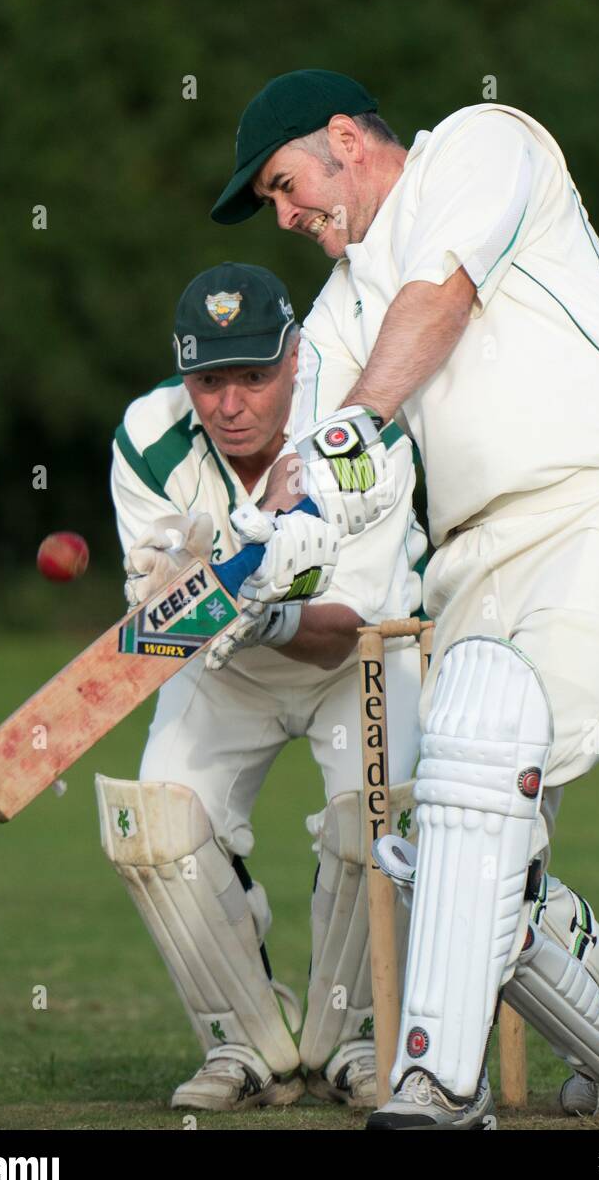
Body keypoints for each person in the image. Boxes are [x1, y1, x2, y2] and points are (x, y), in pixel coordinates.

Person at [208, 70, 599, 1128]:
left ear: (346, 138)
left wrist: (348, 435)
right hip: (474, 561)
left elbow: (435, 302)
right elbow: (322, 462)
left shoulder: (483, 145)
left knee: (480, 751)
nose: (287, 213)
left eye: (283, 182)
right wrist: (268, 543)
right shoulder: (342, 303)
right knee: (451, 841)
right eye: (271, 202)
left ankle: (434, 1086)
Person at [96, 260, 427, 1112]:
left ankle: (355, 1042)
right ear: (184, 373)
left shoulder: (359, 439)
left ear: (295, 360)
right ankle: (244, 1044)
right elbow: (166, 611)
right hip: (221, 668)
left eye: (253, 375)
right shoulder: (147, 436)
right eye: (210, 380)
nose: (230, 403)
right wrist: (180, 596)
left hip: (354, 661)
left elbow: (343, 633)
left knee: (372, 826)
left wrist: (260, 612)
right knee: (153, 830)